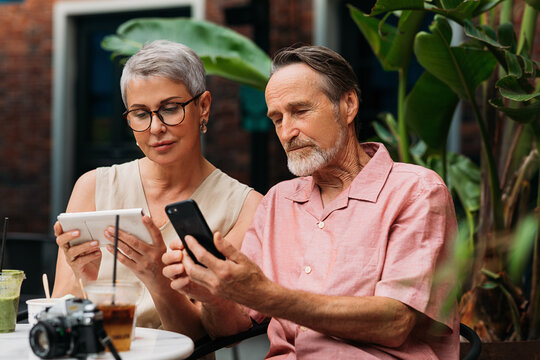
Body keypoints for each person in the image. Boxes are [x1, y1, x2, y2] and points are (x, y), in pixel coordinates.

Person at [162, 45, 460, 359]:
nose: (287, 132)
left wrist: (268, 296)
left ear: (348, 104)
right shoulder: (279, 201)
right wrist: (212, 294)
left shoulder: (415, 191)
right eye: (277, 119)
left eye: (300, 111)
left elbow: (395, 322)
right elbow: (234, 328)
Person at [51, 40, 262, 339]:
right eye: (140, 113)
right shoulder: (93, 187)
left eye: (170, 108)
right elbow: (62, 305)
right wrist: (86, 279)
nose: (155, 128)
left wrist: (156, 278)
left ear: (203, 106)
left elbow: (210, 335)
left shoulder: (248, 207)